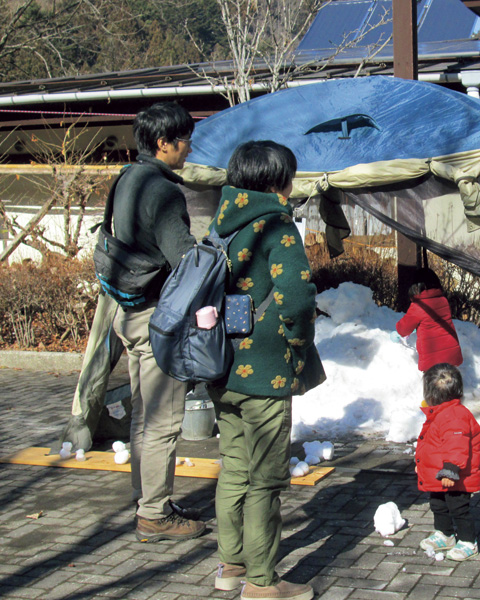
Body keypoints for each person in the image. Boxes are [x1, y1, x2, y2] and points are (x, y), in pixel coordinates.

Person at [208, 140, 324, 600]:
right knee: (266, 479)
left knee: (234, 468)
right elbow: (296, 297)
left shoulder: (223, 226)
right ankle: (263, 583)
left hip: (222, 368)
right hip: (265, 375)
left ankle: (231, 567)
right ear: (277, 180)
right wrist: (299, 344)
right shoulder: (278, 224)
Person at [109, 102, 205, 541]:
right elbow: (184, 260)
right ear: (164, 143)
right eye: (184, 140)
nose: (188, 148)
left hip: (124, 310)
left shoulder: (126, 178)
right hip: (152, 315)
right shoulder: (163, 191)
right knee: (164, 419)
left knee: (142, 413)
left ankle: (144, 495)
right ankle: (153, 513)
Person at [415, 363, 480, 561]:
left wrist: (450, 470)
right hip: (439, 474)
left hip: (455, 476)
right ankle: (445, 534)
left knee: (458, 508)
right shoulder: (439, 413)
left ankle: (469, 541)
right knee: (438, 505)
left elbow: (457, 445)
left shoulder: (454, 415)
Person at [395, 268, 463, 371]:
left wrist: (398, 326)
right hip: (452, 356)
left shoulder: (418, 306)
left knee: (435, 385)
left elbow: (403, 329)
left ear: (414, 287)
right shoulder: (443, 301)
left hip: (432, 362)